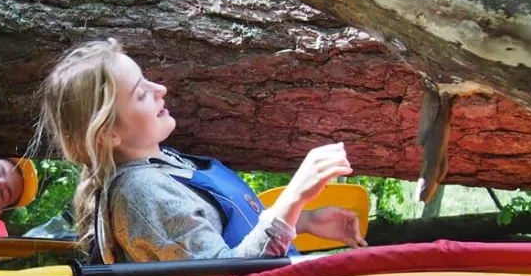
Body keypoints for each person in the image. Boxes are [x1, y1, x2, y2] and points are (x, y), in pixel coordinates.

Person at [34, 38, 367, 263]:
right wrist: (293, 197)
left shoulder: (164, 163)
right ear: (108, 134)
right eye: (141, 94)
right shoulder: (141, 192)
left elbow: (219, 235)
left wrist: (305, 220)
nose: (160, 89)